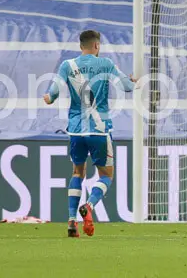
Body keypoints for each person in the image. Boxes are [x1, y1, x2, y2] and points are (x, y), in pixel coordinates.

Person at [43, 30, 136, 238]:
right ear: (97, 45)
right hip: (99, 129)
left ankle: (71, 221)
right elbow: (127, 87)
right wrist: (132, 80)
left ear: (80, 46)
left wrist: (48, 98)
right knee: (106, 175)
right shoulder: (105, 64)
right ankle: (89, 206)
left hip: (76, 130)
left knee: (77, 172)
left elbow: (53, 93)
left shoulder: (67, 65)